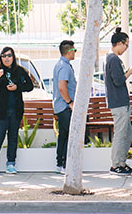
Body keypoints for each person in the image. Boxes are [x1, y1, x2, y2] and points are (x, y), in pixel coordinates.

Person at [0, 47, 34, 174]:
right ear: (0, 58)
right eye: (4, 56)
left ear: (13, 57)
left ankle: (11, 163)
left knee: (13, 137)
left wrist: (17, 87)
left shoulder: (19, 71)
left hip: (16, 110)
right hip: (1, 110)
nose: (6, 58)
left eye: (9, 55)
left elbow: (30, 86)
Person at [105, 28, 132, 175]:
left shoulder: (111, 59)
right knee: (121, 133)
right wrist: (130, 72)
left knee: (127, 133)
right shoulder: (113, 59)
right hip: (118, 103)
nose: (126, 49)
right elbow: (118, 80)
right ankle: (116, 165)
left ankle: (121, 162)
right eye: (126, 45)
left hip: (120, 102)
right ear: (119, 43)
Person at [52, 40, 77, 174]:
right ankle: (64, 164)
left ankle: (60, 164)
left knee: (64, 135)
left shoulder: (60, 65)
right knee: (68, 135)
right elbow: (62, 86)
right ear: (69, 51)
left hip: (61, 106)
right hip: (64, 107)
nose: (75, 53)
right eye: (74, 50)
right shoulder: (64, 67)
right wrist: (69, 102)